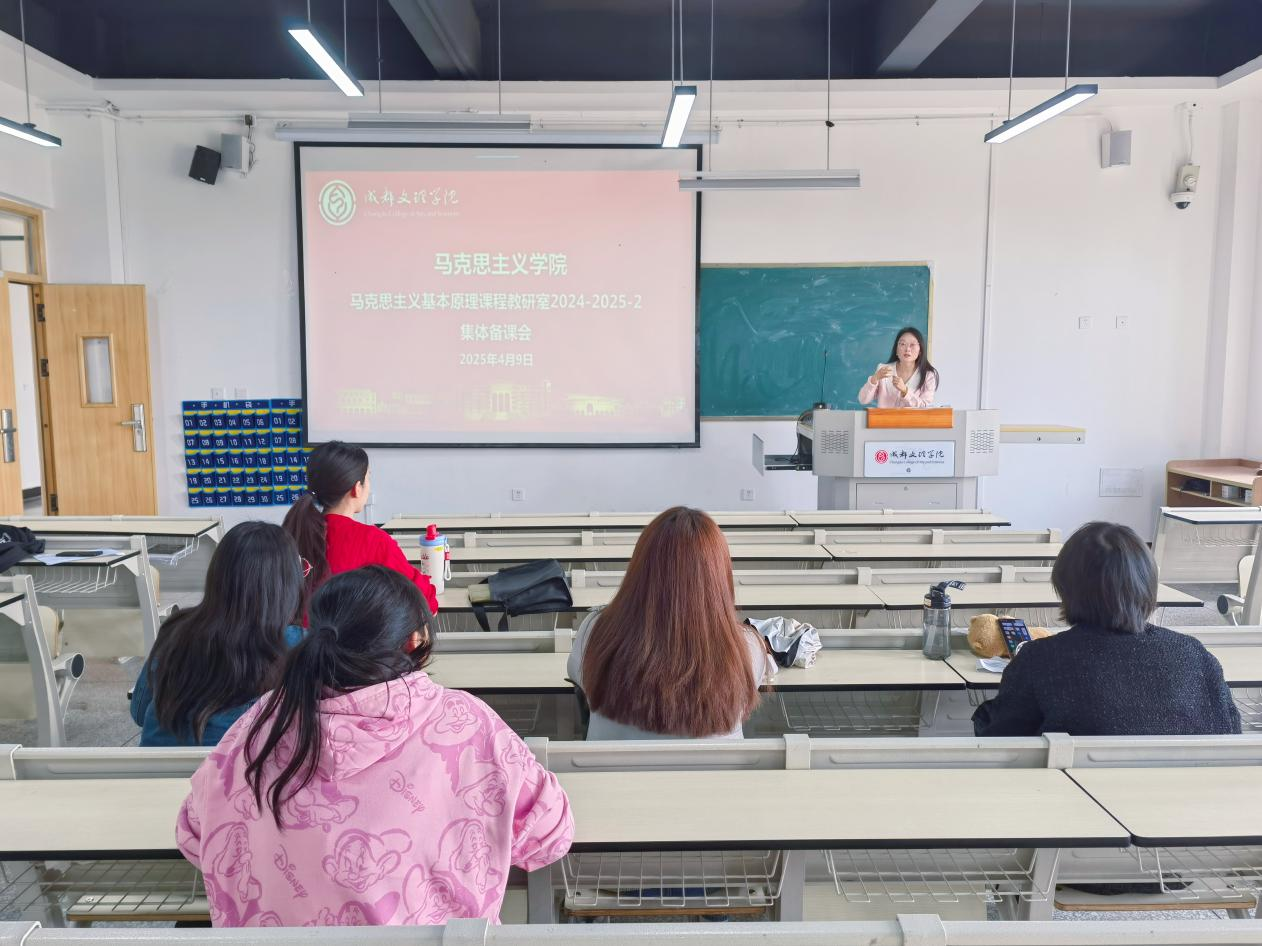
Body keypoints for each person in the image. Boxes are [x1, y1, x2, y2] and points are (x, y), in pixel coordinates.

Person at [176, 566, 572, 927]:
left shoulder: (262, 723)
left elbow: (195, 834)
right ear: (414, 641)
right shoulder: (467, 722)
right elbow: (549, 837)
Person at [973, 521, 1241, 737]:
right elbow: (1229, 732)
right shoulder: (1193, 654)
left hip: (1074, 787)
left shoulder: (1039, 659)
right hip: (1190, 788)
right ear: (1148, 585)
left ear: (1065, 588)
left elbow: (1002, 743)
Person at [567, 506, 773, 740]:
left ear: (640, 568)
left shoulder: (593, 631)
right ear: (719, 576)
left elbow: (579, 678)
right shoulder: (748, 648)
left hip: (608, 765)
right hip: (717, 767)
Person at [131, 522, 305, 748]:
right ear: (288, 585)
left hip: (158, 768)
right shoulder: (300, 644)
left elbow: (138, 712)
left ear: (217, 574)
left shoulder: (175, 631)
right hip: (242, 769)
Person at [284, 440, 439, 616]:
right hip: (349, 634)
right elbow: (424, 600)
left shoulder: (292, 532)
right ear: (357, 488)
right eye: (368, 478)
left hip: (295, 634)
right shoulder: (373, 540)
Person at [857, 326, 938, 408]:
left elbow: (925, 407)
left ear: (920, 351)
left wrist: (905, 391)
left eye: (912, 345)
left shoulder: (928, 375)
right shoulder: (883, 369)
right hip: (885, 417)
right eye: (902, 344)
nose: (907, 349)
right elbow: (863, 399)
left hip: (913, 417)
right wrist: (874, 379)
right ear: (896, 350)